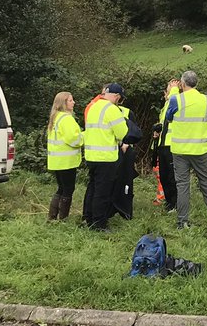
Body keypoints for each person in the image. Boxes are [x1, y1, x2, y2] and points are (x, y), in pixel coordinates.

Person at [165, 70, 207, 228]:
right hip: (201, 149)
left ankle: (182, 221)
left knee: (183, 185)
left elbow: (168, 117)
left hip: (180, 150)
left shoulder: (176, 99)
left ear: (182, 84)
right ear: (196, 84)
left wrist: (172, 90)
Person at [81, 83, 130, 231]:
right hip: (106, 157)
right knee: (102, 192)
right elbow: (122, 133)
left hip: (91, 155)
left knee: (92, 188)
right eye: (119, 99)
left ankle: (88, 218)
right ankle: (99, 224)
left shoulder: (93, 107)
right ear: (116, 96)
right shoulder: (112, 110)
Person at [45, 91, 83, 221]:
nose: (74, 102)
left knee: (61, 188)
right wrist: (84, 137)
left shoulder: (56, 117)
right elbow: (74, 139)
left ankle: (52, 217)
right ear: (64, 103)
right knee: (68, 189)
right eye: (71, 100)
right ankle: (63, 218)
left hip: (57, 160)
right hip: (67, 161)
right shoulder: (66, 119)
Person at [110, 97, 145, 220]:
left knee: (126, 181)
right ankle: (110, 208)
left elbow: (134, 131)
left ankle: (125, 209)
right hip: (109, 150)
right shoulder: (103, 111)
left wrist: (126, 143)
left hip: (125, 151)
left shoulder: (127, 112)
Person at [150, 80, 180, 213]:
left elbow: (175, 98)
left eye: (171, 87)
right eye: (169, 87)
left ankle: (174, 204)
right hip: (162, 144)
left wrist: (174, 89)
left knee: (171, 176)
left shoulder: (176, 100)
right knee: (163, 175)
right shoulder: (166, 105)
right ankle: (169, 203)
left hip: (171, 145)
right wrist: (158, 131)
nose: (170, 89)